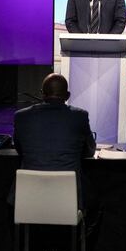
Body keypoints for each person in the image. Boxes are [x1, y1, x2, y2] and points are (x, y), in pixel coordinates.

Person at [13, 73, 96, 205]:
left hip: (28, 201)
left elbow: (20, 149)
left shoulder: (21, 117)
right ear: (67, 95)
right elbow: (89, 151)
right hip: (68, 201)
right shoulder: (80, 116)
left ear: (42, 94)